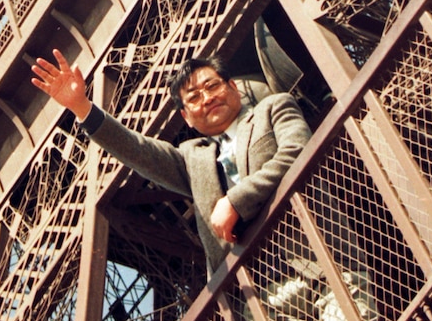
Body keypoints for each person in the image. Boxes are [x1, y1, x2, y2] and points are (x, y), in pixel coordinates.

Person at [30, 48, 312, 275]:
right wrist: (82, 107)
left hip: (314, 252)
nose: (207, 98)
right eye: (194, 97)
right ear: (186, 117)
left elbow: (297, 151)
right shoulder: (193, 159)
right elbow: (138, 150)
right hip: (254, 291)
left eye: (212, 86)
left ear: (233, 87)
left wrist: (236, 201)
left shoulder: (273, 108)